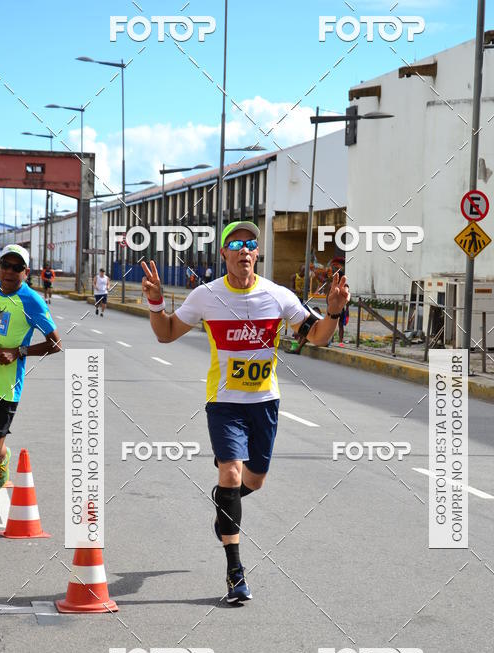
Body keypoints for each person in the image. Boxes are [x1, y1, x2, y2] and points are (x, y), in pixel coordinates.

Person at [141, 221, 349, 603]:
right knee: (231, 473)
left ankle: (226, 503)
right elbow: (165, 333)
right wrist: (156, 303)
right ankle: (235, 573)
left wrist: (333, 313)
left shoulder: (277, 295)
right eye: (234, 244)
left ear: (257, 253)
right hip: (224, 404)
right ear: (224, 255)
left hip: (265, 403)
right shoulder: (206, 296)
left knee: (252, 482)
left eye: (250, 244)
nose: (243, 250)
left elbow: (317, 337)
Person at [0, 244, 62, 536]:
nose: (9, 271)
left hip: (7, 386)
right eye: (5, 265)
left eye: (16, 267)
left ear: (26, 272)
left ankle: (1, 459)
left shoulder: (31, 302)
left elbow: (55, 344)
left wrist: (19, 351)